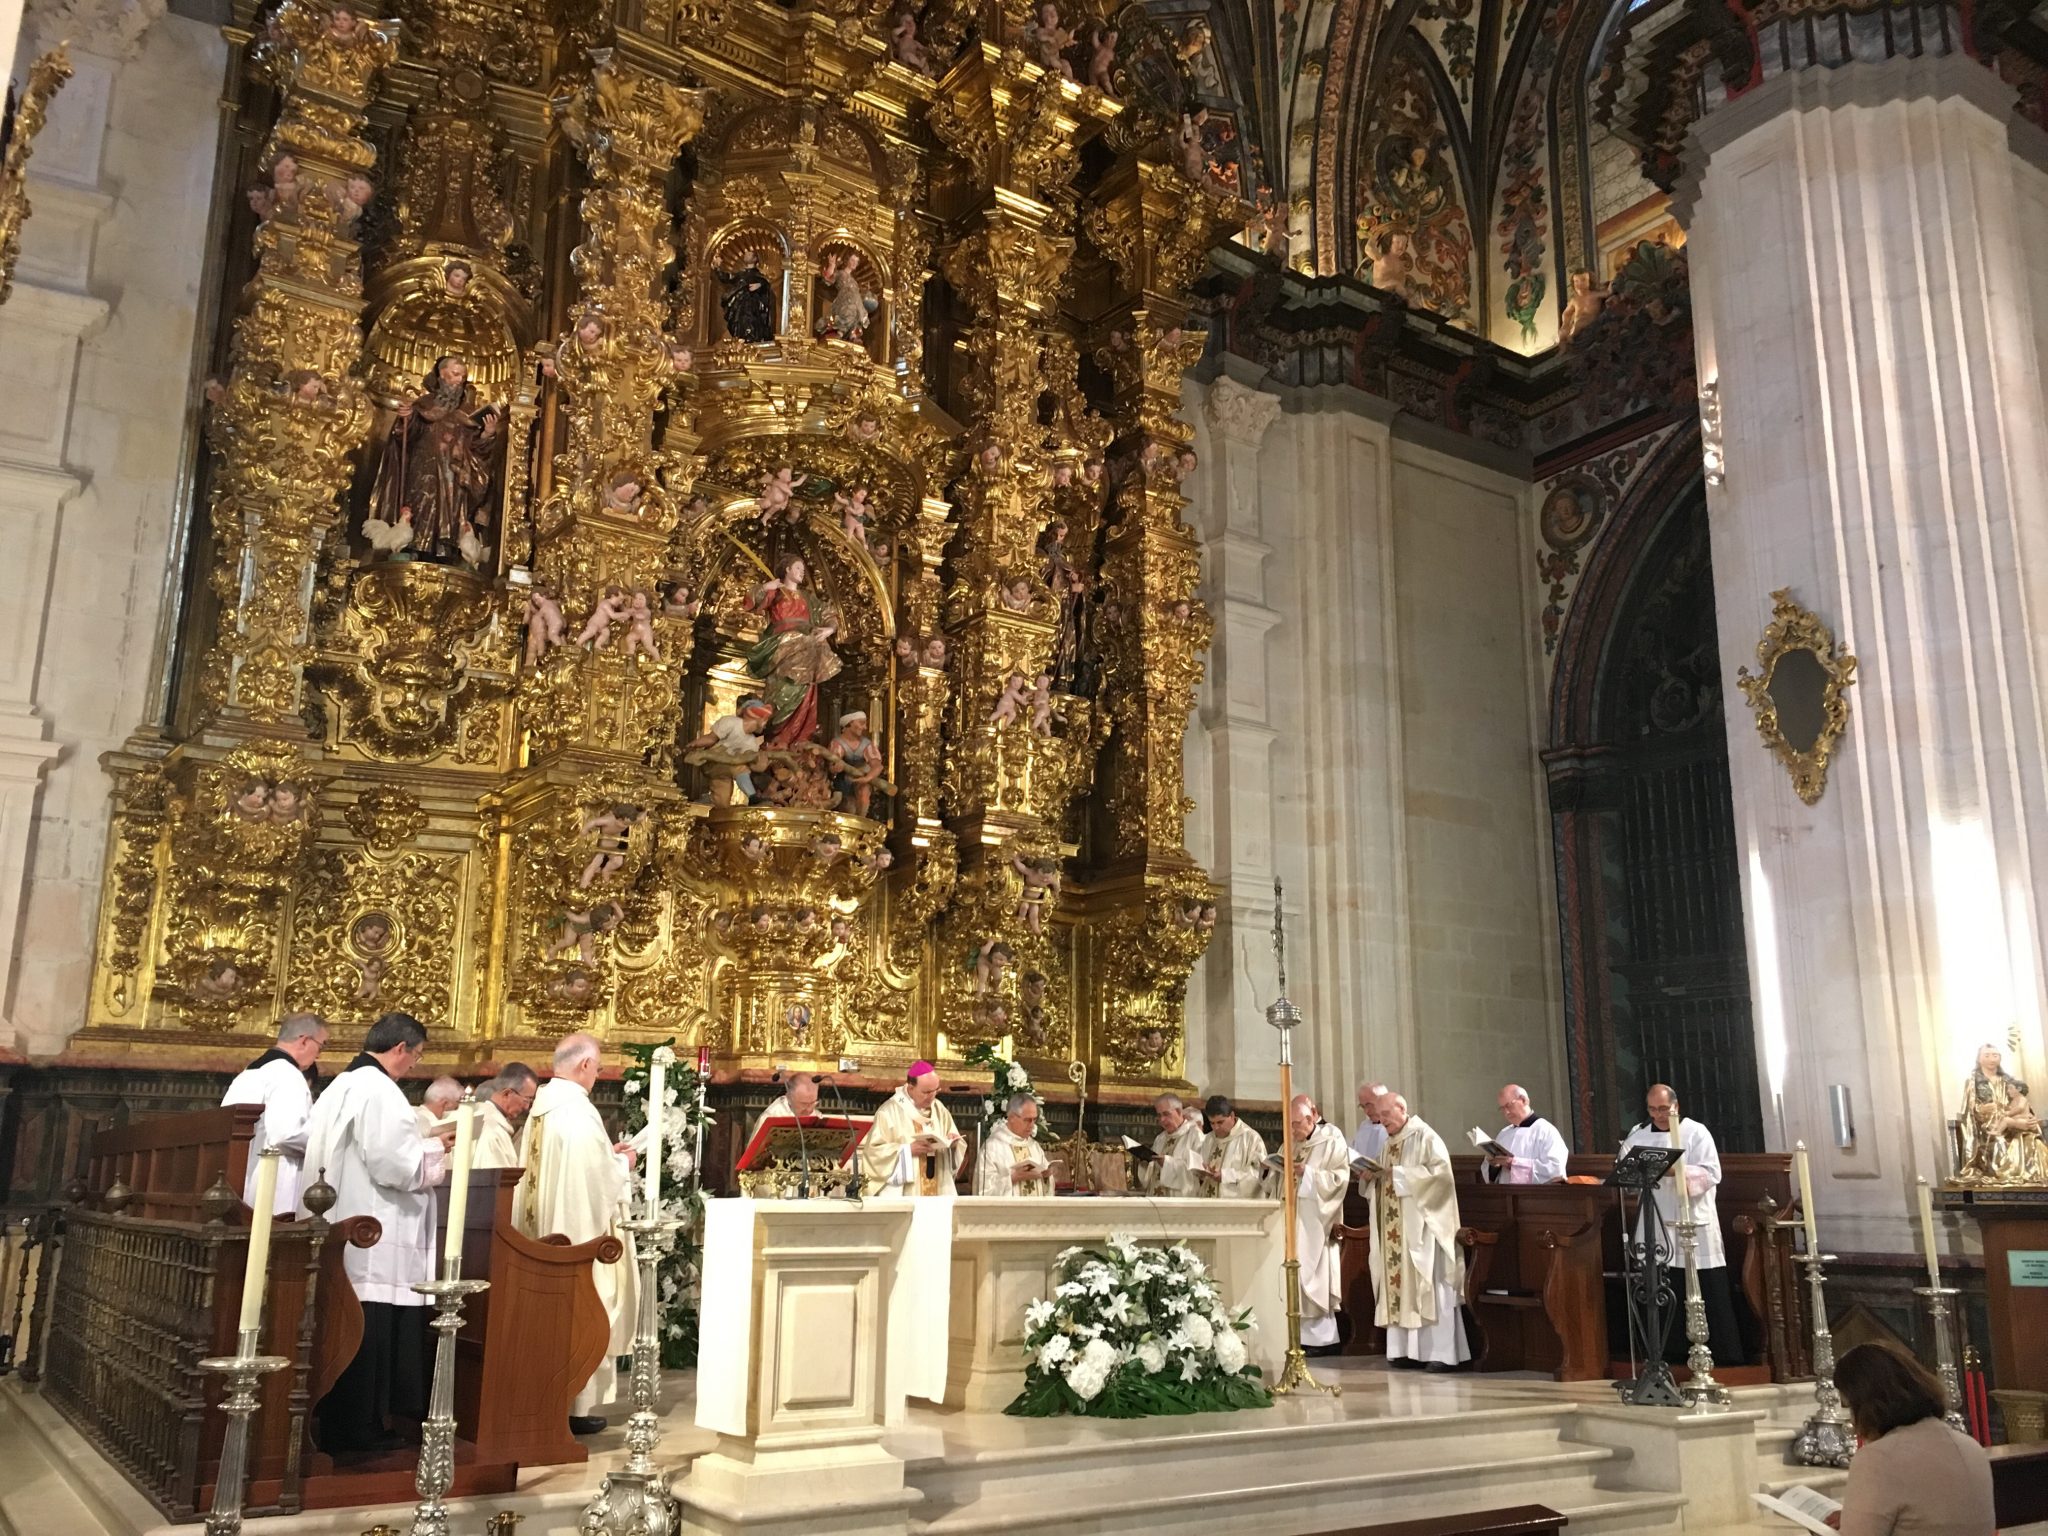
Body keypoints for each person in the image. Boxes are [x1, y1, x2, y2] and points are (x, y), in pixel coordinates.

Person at [299, 1012, 451, 1455]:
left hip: (344, 1224)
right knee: (369, 1327)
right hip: (373, 1233)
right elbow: (392, 1164)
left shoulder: (338, 1088)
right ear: (400, 1048)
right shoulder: (379, 1090)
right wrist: (434, 1148)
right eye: (416, 1057)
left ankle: (345, 1422)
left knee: (349, 1324)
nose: (414, 1067)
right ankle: (358, 1431)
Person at [516, 1033, 637, 1435]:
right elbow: (597, 1179)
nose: (597, 1076)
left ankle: (549, 1398)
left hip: (540, 1233)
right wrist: (624, 1164)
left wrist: (608, 1157)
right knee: (586, 1306)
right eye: (598, 1068)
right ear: (585, 1065)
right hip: (574, 1234)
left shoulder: (542, 1109)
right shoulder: (578, 1113)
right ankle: (575, 1406)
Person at [1621, 1083, 1744, 1366]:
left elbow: (1712, 1173)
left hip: (1691, 1220)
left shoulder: (1696, 1132)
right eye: (1652, 1109)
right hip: (1655, 1220)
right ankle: (1666, 1354)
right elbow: (1625, 1170)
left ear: (1676, 1106)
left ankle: (1721, 1355)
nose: (1658, 1115)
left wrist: (1677, 1169)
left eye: (1663, 1109)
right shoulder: (1638, 1136)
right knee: (1661, 1286)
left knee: (1702, 1284)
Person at [1829, 1342, 1994, 1535]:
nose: (1853, 1419)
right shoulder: (1970, 1446)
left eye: (1851, 1407)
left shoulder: (1878, 1459)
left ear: (1866, 1406)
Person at [1369, 1094, 1469, 1371]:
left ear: (1403, 1109)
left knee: (1429, 1285)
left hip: (1423, 1231)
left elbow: (1441, 1178)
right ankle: (1404, 1350)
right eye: (1379, 1115)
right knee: (1400, 1284)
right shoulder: (1387, 1144)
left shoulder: (1426, 1137)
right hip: (1395, 1231)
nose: (1382, 1120)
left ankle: (1441, 1353)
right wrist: (1371, 1177)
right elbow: (1384, 1178)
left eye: (1386, 1113)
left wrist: (1399, 1175)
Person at [221, 1012, 327, 1214]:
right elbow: (287, 1135)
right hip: (273, 1186)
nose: (319, 1054)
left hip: (239, 1178)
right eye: (321, 1046)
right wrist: (325, 1137)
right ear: (304, 1041)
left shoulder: (248, 1074)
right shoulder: (288, 1075)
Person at [1286, 1094, 1351, 1353]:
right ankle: (1296, 1336)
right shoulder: (1290, 1143)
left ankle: (1323, 1340)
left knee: (1315, 1277)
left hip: (1317, 1222)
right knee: (1294, 1276)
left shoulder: (1332, 1138)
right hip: (1293, 1218)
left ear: (1312, 1117)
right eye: (1289, 1124)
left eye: (1297, 1123)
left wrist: (1308, 1174)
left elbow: (1339, 1178)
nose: (1293, 1130)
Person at [860, 1062, 965, 1197]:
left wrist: (953, 1144)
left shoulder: (940, 1109)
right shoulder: (889, 1111)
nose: (932, 1096)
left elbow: (953, 1139)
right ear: (910, 1088)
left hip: (939, 1188)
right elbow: (873, 1153)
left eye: (936, 1091)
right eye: (926, 1092)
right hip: (908, 1193)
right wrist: (906, 1150)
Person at [1480, 1083, 1570, 1185]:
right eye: (1502, 1109)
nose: (1506, 1112)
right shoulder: (1503, 1133)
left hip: (1533, 1197)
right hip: (1506, 1196)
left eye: (1509, 1106)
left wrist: (1512, 1164)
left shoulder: (1546, 1130)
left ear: (1524, 1100)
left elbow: (1555, 1169)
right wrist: (1494, 1165)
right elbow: (1491, 1177)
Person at [976, 1094, 1052, 1197]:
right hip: (1008, 1212)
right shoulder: (992, 1148)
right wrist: (1013, 1178)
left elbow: (1048, 1189)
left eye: (1034, 1120)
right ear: (1011, 1117)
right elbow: (983, 1192)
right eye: (1027, 1120)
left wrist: (1047, 1177)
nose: (1032, 1125)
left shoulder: (1034, 1147)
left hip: (1035, 1212)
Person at [1197, 1095, 1268, 1198]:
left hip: (1234, 1207)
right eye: (1212, 1123)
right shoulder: (1209, 1138)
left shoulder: (1251, 1139)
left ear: (1232, 1116)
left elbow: (1261, 1174)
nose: (1216, 1127)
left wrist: (1227, 1176)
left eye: (1220, 1122)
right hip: (1208, 1202)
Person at [1140, 1093, 1206, 1195]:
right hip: (1156, 1200)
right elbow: (1151, 1173)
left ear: (1179, 1111)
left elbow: (1201, 1173)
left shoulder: (1195, 1136)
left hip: (1179, 1203)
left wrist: (1167, 1163)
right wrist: (1146, 1163)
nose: (1162, 1120)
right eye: (1159, 1115)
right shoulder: (1160, 1138)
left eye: (1166, 1114)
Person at [475, 1063, 536, 1169]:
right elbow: (495, 1181)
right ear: (507, 1094)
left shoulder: (480, 1118)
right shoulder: (493, 1130)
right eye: (527, 1099)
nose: (527, 1107)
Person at [749, 1068, 826, 1144]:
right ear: (789, 1097)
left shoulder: (817, 1116)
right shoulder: (771, 1117)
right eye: (804, 1104)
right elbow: (754, 1152)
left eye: (813, 1103)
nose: (809, 1110)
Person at [1351, 1081, 1389, 1163]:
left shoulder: (1395, 1126)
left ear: (1384, 1100)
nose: (1366, 1111)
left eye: (1369, 1105)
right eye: (1362, 1106)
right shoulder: (1364, 1126)